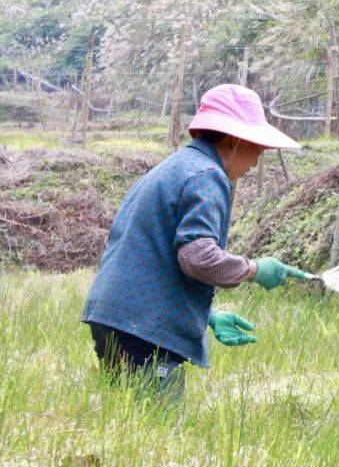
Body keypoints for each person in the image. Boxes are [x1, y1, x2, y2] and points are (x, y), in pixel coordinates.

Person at [82, 84, 309, 400]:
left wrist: (206, 316)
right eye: (258, 146)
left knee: (122, 422)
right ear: (234, 140)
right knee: (158, 432)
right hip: (144, 328)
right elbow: (197, 257)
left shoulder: (174, 168)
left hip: (113, 315)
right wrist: (254, 269)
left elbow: (153, 251)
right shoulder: (207, 175)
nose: (258, 159)